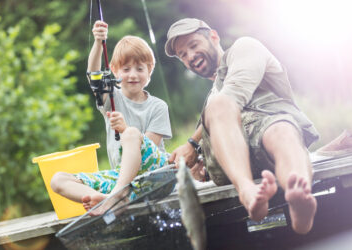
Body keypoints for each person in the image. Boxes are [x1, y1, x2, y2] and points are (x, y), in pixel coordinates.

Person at [164, 18, 319, 234]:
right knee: (218, 105)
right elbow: (220, 111)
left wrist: (192, 142)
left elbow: (234, 94)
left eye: (193, 45)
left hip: (270, 131)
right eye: (183, 55)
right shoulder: (211, 97)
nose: (190, 56)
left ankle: (299, 196)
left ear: (214, 37)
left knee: (281, 130)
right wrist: (201, 163)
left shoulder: (245, 48)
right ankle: (248, 192)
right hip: (236, 165)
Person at [50, 20, 172, 214]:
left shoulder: (158, 106)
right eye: (126, 69)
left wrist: (125, 130)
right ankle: (106, 201)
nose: (133, 75)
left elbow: (149, 147)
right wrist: (98, 43)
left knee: (131, 134)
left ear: (150, 71)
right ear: (114, 71)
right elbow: (94, 76)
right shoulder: (110, 97)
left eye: (140, 69)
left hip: (154, 178)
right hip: (122, 181)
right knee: (58, 180)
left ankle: (116, 196)